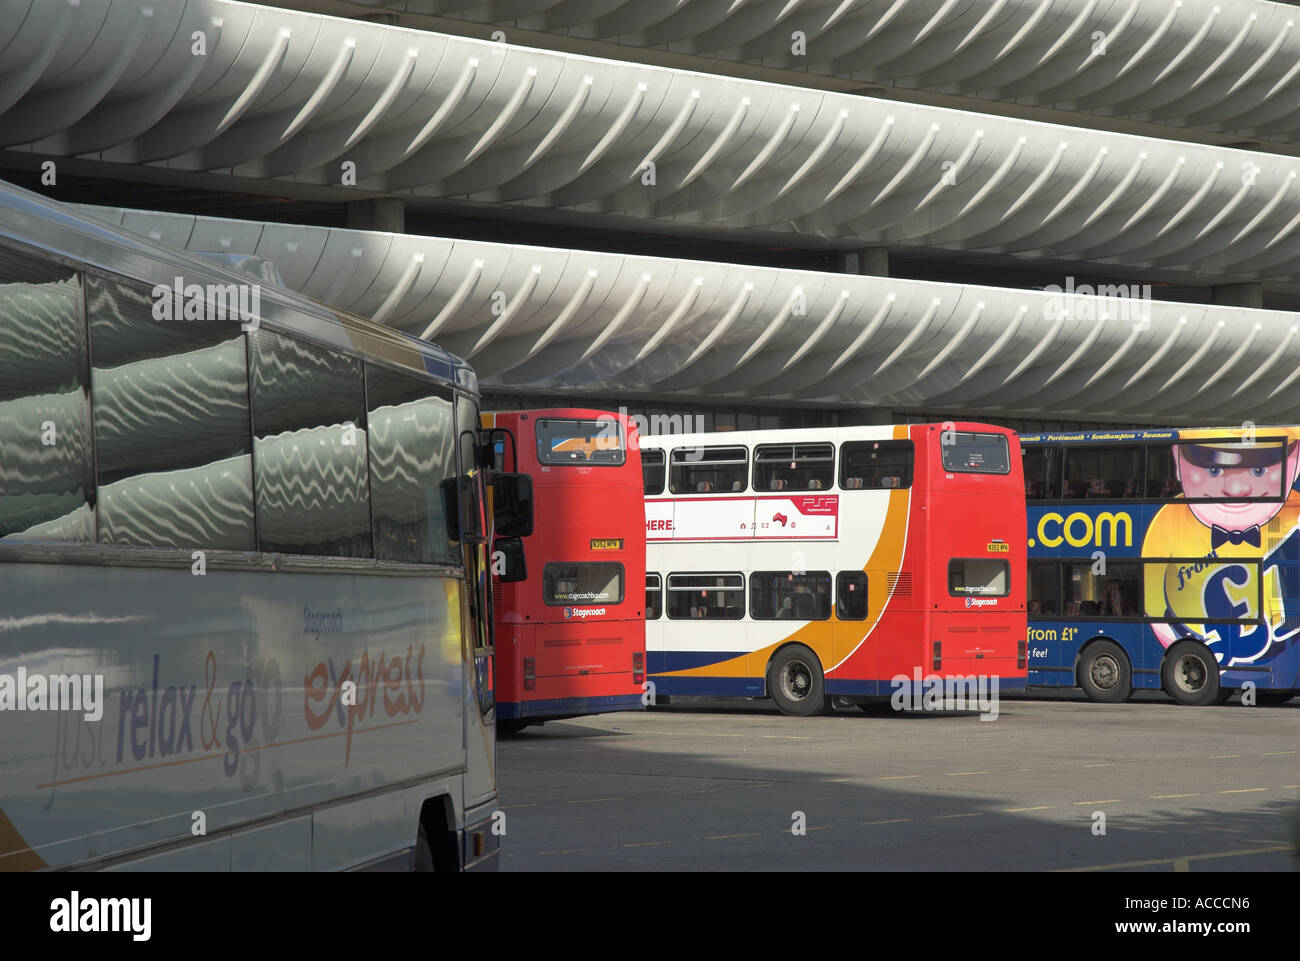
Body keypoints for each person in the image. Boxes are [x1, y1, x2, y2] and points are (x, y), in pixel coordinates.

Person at [1142, 430, 1300, 666]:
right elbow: (1154, 604)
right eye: (1213, 470)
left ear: (1295, 466)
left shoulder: (1293, 513)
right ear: (1178, 461)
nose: (1236, 488)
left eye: (1259, 470)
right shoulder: (1168, 519)